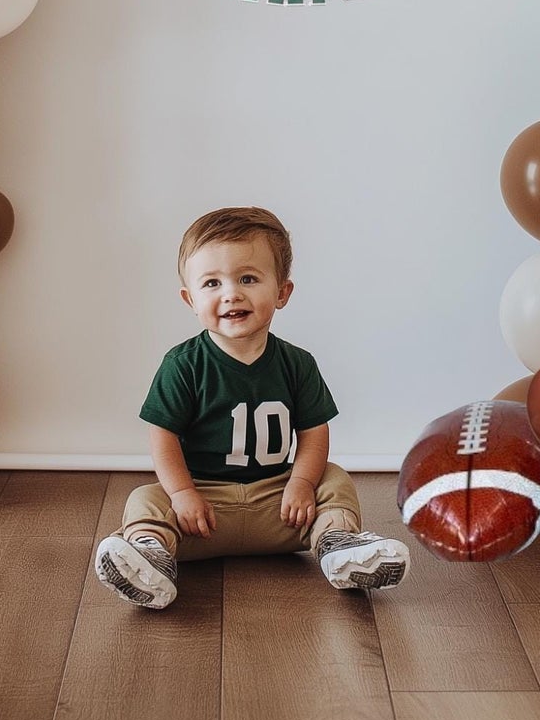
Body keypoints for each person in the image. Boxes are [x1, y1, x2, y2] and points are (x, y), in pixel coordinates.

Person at [94, 206, 410, 609]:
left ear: (282, 292)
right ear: (190, 299)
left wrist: (299, 484)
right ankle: (150, 556)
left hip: (279, 506)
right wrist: (182, 492)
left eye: (248, 278)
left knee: (334, 480)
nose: (231, 293)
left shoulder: (297, 364)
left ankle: (336, 544)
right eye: (212, 282)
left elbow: (314, 432)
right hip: (203, 511)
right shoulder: (183, 364)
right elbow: (164, 435)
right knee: (145, 498)